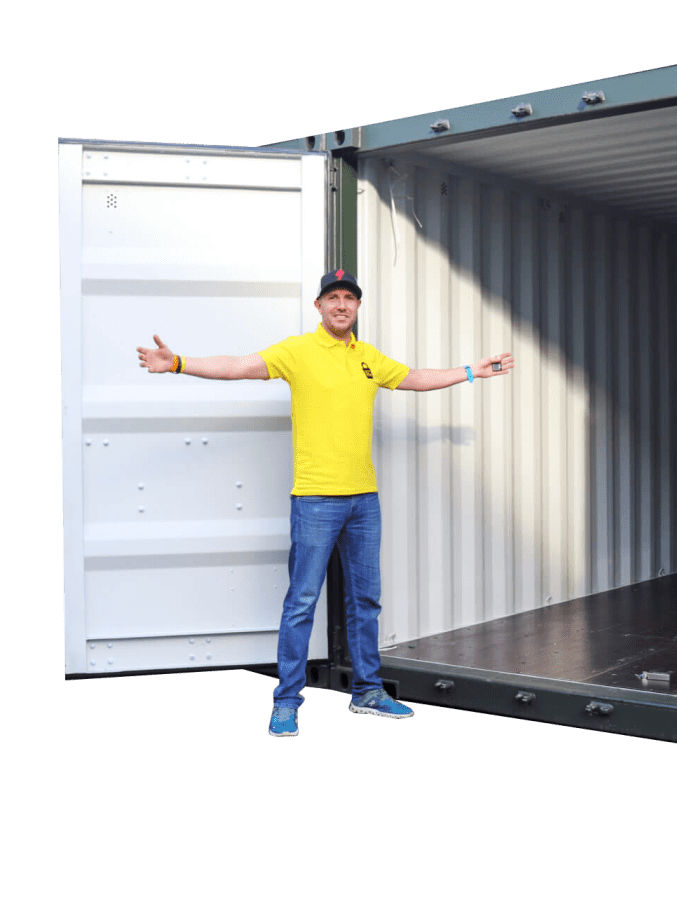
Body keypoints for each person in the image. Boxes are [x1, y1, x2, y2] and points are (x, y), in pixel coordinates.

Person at [135, 269, 514, 737]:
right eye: (332, 297)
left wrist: (473, 370)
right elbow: (237, 366)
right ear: (318, 306)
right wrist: (177, 363)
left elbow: (414, 377)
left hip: (363, 502)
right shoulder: (297, 351)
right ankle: (287, 701)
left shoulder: (368, 358)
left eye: (349, 298)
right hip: (315, 500)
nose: (341, 305)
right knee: (301, 602)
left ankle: (368, 692)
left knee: (366, 601)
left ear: (357, 307)